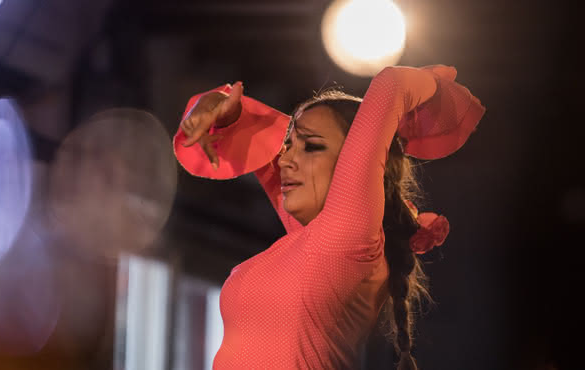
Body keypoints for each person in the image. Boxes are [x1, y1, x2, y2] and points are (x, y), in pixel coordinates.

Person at [173, 65, 485, 369]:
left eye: (311, 147)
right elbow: (255, 134)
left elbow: (391, 86)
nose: (285, 160)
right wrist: (217, 106)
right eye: (288, 147)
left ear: (355, 164)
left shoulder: (342, 240)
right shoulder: (315, 244)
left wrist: (435, 94)